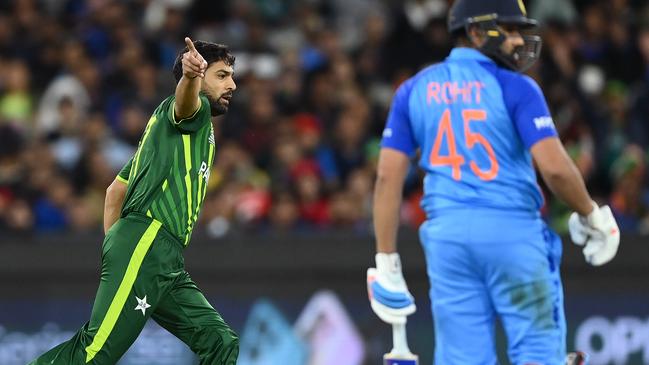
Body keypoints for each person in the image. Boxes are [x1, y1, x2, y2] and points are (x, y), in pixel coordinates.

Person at [366, 1, 620, 364]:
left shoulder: (413, 89)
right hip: (511, 234)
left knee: (463, 359)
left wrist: (386, 259)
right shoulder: (517, 88)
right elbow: (557, 170)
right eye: (509, 29)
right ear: (475, 31)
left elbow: (387, 176)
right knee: (537, 352)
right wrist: (591, 214)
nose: (518, 40)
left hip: (447, 241)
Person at [30, 37, 239, 365]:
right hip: (148, 241)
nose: (233, 84)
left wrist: (116, 248)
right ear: (199, 77)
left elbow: (115, 191)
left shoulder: (162, 135)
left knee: (220, 341)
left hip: (161, 257)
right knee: (96, 351)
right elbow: (186, 103)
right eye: (222, 75)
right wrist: (189, 77)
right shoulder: (191, 113)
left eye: (231, 75)